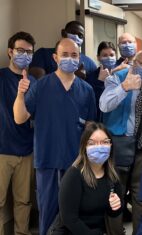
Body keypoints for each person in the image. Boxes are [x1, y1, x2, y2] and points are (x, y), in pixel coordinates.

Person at [13, 38, 96, 235]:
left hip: (77, 163)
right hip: (48, 160)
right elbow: (19, 118)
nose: (70, 59)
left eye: (74, 55)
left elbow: (91, 127)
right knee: (49, 213)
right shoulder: (41, 86)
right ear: (55, 57)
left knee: (76, 215)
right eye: (65, 55)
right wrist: (20, 95)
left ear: (80, 58)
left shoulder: (86, 90)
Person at [99, 50, 142, 234]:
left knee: (141, 196)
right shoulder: (117, 78)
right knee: (115, 196)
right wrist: (124, 87)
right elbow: (104, 105)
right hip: (119, 147)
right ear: (134, 62)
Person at [50, 122, 122, 235]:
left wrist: (115, 206)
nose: (99, 147)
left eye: (105, 142)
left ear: (111, 146)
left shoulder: (113, 174)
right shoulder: (74, 175)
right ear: (84, 147)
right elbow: (69, 219)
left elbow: (114, 213)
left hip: (96, 231)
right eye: (92, 143)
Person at [0, 31, 36, 235]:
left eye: (29, 52)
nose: (24, 55)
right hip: (2, 151)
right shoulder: (1, 77)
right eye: (20, 50)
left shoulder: (35, 83)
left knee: (24, 201)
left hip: (26, 151)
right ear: (10, 52)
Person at [29, 20, 97, 80]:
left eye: (80, 36)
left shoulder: (90, 64)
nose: (76, 37)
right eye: (73, 33)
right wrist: (72, 78)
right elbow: (39, 86)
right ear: (63, 33)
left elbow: (94, 91)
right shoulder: (43, 55)